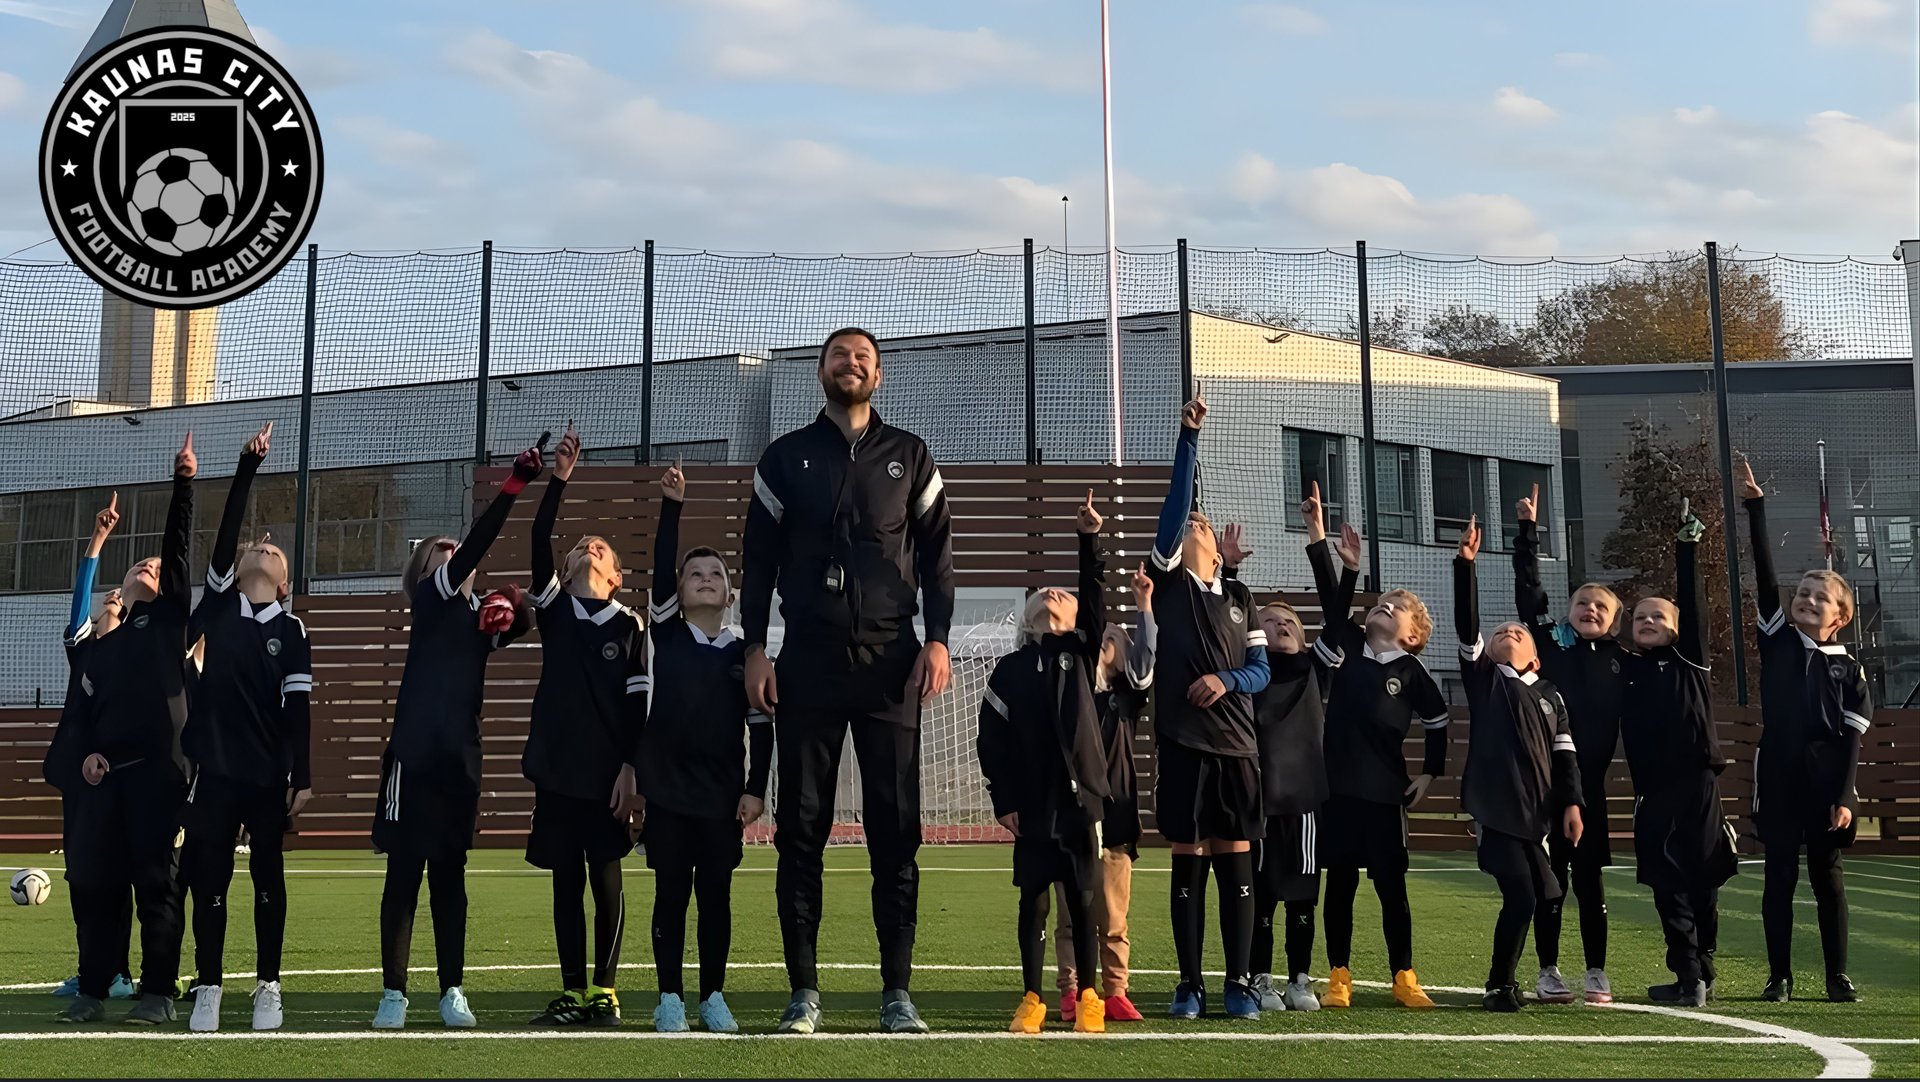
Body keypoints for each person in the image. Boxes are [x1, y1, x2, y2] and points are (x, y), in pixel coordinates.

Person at [742, 327, 955, 1035]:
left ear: (879, 375)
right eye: (840, 355)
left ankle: (898, 993)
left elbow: (938, 558)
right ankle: (803, 992)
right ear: (821, 371)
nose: (851, 363)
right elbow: (757, 562)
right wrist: (754, 648)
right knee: (801, 830)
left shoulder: (910, 455)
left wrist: (938, 639)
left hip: (893, 663)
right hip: (808, 661)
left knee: (895, 833)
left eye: (863, 356)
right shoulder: (784, 458)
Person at [370, 437, 543, 1030]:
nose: (454, 558)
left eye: (456, 555)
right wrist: (514, 485)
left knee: (449, 877)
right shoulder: (433, 600)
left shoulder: (476, 620)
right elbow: (478, 542)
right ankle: (394, 993)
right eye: (441, 555)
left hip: (459, 764)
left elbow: (525, 621)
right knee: (403, 875)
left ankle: (452, 991)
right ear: (426, 574)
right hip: (412, 760)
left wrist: (512, 603)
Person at [180, 423, 315, 1033]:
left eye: (275, 551)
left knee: (267, 877)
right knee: (209, 878)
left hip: (265, 777)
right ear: (236, 572)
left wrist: (301, 777)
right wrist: (246, 467)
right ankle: (208, 986)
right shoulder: (217, 607)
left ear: (284, 583)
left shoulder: (292, 630)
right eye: (255, 548)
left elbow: (298, 709)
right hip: (214, 772)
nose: (264, 546)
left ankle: (268, 987)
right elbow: (227, 534)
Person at [58, 433, 197, 1026]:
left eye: (157, 567)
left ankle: (158, 992)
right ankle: (92, 989)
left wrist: (183, 484)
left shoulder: (167, 626)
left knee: (157, 887)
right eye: (142, 562)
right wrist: (88, 755)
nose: (150, 565)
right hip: (104, 783)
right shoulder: (102, 645)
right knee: (97, 887)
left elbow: (179, 550)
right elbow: (85, 713)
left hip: (157, 781)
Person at [1147, 386, 1271, 1022]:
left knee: (1236, 860)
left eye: (1203, 526)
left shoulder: (1242, 597)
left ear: (1219, 553)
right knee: (1190, 858)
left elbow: (1261, 671)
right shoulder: (1169, 584)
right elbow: (1174, 508)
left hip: (1238, 749)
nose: (1194, 525)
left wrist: (1226, 680)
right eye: (1190, 526)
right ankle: (1190, 983)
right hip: (1183, 744)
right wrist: (1188, 438)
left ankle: (1240, 982)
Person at [640, 458, 773, 1034]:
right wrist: (672, 506)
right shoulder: (665, 635)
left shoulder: (745, 655)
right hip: (667, 795)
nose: (704, 578)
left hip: (721, 798)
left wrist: (755, 789)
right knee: (670, 894)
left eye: (715, 573)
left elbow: (762, 727)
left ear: (729, 594)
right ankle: (669, 997)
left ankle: (713, 995)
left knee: (715, 895)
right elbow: (660, 567)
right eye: (693, 573)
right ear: (677, 591)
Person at [521, 427, 646, 1029]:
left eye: (601, 548)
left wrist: (631, 767)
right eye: (581, 546)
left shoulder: (631, 625)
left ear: (617, 576)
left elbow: (639, 707)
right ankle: (572, 991)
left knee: (606, 877)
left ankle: (605, 990)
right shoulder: (554, 610)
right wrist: (559, 479)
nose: (590, 548)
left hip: (608, 776)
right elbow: (538, 535)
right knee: (565, 880)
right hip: (556, 770)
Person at [1310, 482, 1447, 1011]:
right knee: (1339, 885)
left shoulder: (1412, 671)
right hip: (1337, 791)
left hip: (1386, 795)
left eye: (1396, 607)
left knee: (1392, 888)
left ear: (1413, 636)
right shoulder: (1347, 644)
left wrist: (1429, 773)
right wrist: (1325, 543)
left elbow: (1437, 721)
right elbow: (1332, 604)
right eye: (1381, 602)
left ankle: (1403, 975)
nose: (1383, 606)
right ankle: (1338, 975)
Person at [1741, 456, 1868, 1004]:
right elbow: (1765, 577)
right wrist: (1756, 509)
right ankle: (1779, 976)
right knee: (1779, 878)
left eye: (1822, 597)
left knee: (1827, 878)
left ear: (1840, 617)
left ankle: (1837, 975)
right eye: (1804, 593)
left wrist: (1844, 796)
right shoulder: (1779, 642)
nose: (1808, 599)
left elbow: (1852, 740)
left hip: (1825, 786)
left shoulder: (1850, 669)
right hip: (1778, 777)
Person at [977, 556, 1119, 1033]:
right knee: (1034, 903)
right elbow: (991, 739)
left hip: (1080, 806)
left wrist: (1088, 543)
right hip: (1032, 806)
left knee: (1082, 902)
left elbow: (1095, 605)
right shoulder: (1009, 669)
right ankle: (1032, 998)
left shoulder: (1081, 653)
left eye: (1064, 594)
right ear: (1027, 618)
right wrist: (1003, 800)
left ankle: (1089, 997)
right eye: (1041, 594)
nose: (1052, 594)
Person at [1222, 515, 1355, 1013]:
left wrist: (1332, 556)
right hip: (1256, 800)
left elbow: (1337, 620)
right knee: (1259, 895)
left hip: (1303, 802)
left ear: (1303, 637)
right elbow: (1225, 616)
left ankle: (1300, 978)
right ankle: (1260, 978)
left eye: (1290, 623)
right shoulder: (1246, 674)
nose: (1279, 625)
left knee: (1302, 896)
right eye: (1270, 621)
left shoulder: (1315, 670)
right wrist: (1230, 573)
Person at [1454, 517, 1585, 1012]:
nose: (1509, 631)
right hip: (1497, 811)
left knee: (1544, 895)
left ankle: (1515, 979)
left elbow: (1566, 757)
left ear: (1536, 658)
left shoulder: (1551, 695)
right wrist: (1464, 566)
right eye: (1500, 632)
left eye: (1518, 632)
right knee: (1523, 895)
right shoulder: (1485, 681)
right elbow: (1467, 625)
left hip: (1538, 817)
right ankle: (1499, 984)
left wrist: (1572, 804)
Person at [1619, 505, 1737, 1007]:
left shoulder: (1690, 660)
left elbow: (1694, 603)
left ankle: (1701, 970)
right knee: (1667, 883)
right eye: (1639, 617)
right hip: (1654, 791)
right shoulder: (1626, 669)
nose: (1647, 621)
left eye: (1658, 616)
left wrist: (1686, 549)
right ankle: (1689, 976)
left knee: (1704, 878)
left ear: (1677, 628)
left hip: (1698, 784)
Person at [1045, 491, 1155, 1026]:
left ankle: (1116, 990)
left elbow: (1146, 658)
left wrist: (1144, 608)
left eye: (1116, 635)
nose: (1108, 634)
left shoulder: (1126, 698)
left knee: (1114, 913)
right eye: (1103, 631)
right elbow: (1092, 614)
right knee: (1071, 913)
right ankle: (1070, 989)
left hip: (1116, 816)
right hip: (1072, 814)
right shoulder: (1068, 689)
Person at [1514, 483, 1623, 1005]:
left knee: (1590, 883)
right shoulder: (1552, 646)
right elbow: (1529, 593)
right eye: (1582, 602)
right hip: (1547, 787)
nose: (1590, 610)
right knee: (1550, 880)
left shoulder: (1623, 661)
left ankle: (1596, 971)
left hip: (1592, 790)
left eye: (1601, 606)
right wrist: (1528, 532)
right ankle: (1548, 970)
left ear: (1614, 620)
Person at [47, 499, 136, 1020]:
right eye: (110, 600)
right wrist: (98, 540)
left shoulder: (136, 657)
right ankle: (91, 969)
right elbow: (80, 600)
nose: (111, 602)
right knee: (81, 879)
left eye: (119, 603)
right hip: (81, 784)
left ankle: (119, 972)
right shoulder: (83, 651)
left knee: (118, 878)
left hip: (123, 780)